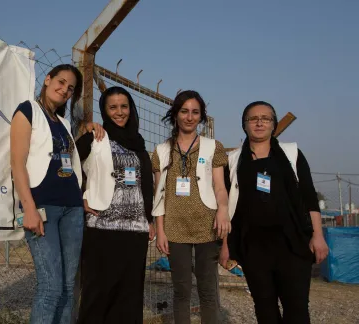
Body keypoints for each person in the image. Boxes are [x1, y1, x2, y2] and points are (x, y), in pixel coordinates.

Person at [220, 101, 329, 324]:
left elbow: (309, 197)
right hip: (253, 248)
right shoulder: (232, 161)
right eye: (253, 118)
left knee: (297, 309)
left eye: (266, 118)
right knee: (264, 308)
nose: (259, 122)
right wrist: (225, 245)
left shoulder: (292, 154)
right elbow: (226, 208)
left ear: (273, 124)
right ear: (244, 124)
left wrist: (318, 236)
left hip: (293, 245)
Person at [10, 64, 103, 324]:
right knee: (50, 287)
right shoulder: (27, 110)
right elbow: (17, 163)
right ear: (47, 80)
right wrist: (28, 208)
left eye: (70, 88)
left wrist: (91, 130)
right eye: (60, 83)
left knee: (66, 288)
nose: (64, 90)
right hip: (43, 207)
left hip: (71, 209)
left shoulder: (62, 122)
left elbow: (71, 165)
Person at [75, 86, 155, 324]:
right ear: (104, 110)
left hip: (135, 231)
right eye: (113, 107)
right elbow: (68, 167)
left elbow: (146, 186)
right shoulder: (94, 138)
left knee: (129, 297)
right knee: (98, 294)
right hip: (102, 228)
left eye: (124, 106)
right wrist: (81, 197)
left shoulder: (139, 144)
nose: (119, 112)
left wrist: (148, 219)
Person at [152, 90, 230, 324]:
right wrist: (161, 230)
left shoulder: (213, 147)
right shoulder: (161, 151)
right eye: (184, 111)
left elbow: (219, 186)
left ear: (201, 117)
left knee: (208, 289)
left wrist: (223, 209)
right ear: (175, 114)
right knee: (181, 290)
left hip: (208, 225)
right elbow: (159, 196)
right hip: (175, 227)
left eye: (195, 112)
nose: (189, 117)